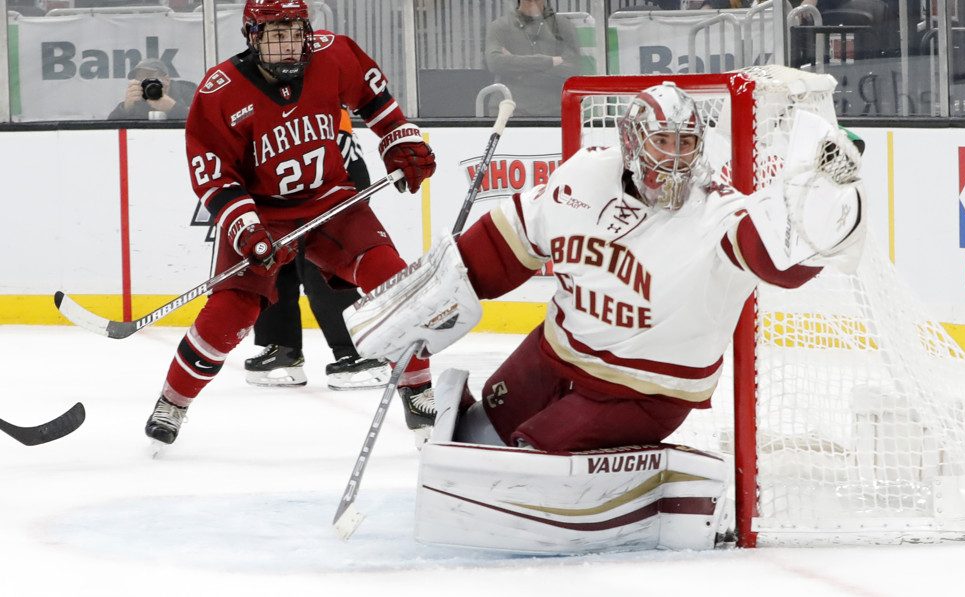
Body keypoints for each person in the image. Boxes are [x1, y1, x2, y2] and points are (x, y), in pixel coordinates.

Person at [346, 81, 866, 454]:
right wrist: (429, 301)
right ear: (633, 140)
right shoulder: (585, 176)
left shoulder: (718, 210)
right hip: (554, 355)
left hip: (645, 392)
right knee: (472, 440)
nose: (676, 158)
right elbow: (505, 248)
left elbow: (777, 262)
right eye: (664, 141)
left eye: (687, 143)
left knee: (530, 457)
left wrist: (819, 200)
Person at [143, 0, 437, 447]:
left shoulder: (334, 54)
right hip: (260, 212)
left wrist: (398, 138)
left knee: (392, 280)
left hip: (331, 202)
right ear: (252, 36)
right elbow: (213, 176)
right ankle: (173, 402)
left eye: (295, 34)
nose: (289, 47)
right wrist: (247, 229)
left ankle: (419, 394)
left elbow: (375, 100)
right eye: (276, 36)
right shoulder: (219, 90)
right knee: (230, 314)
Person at [244, 108, 389, 390]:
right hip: (283, 206)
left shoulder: (326, 106)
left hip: (328, 206)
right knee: (272, 267)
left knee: (320, 274)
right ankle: (283, 349)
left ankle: (359, 353)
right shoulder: (259, 107)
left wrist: (342, 210)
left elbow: (356, 169)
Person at [485, 0, 581, 117]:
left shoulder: (563, 26)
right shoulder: (500, 26)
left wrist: (518, 69)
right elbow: (495, 63)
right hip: (509, 111)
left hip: (554, 113)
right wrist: (549, 61)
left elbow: (573, 71)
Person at [107, 58, 196, 120]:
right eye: (140, 78)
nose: (146, 83)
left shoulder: (188, 94)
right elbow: (109, 130)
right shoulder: (139, 100)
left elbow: (201, 123)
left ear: (167, 80)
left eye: (150, 77)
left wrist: (172, 108)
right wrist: (126, 108)